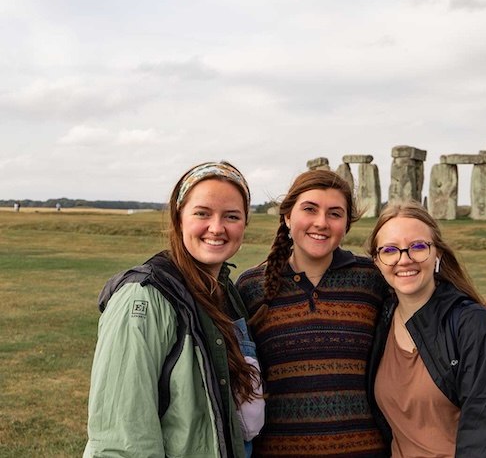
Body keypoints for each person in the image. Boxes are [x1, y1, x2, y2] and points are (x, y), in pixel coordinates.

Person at [84, 161, 264, 458]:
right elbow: (122, 438)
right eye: (202, 213)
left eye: (231, 216)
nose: (217, 228)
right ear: (179, 218)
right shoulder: (143, 298)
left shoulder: (226, 292)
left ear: (244, 224)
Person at [236, 169, 389, 457]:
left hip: (366, 450)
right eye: (310, 209)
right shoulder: (251, 287)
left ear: (346, 224)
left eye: (335, 213)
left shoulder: (371, 279)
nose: (321, 222)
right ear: (287, 216)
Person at [365, 200, 486, 457]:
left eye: (417, 247)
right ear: (377, 261)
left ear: (437, 253)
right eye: (390, 250)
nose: (404, 260)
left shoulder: (475, 325)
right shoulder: (381, 320)